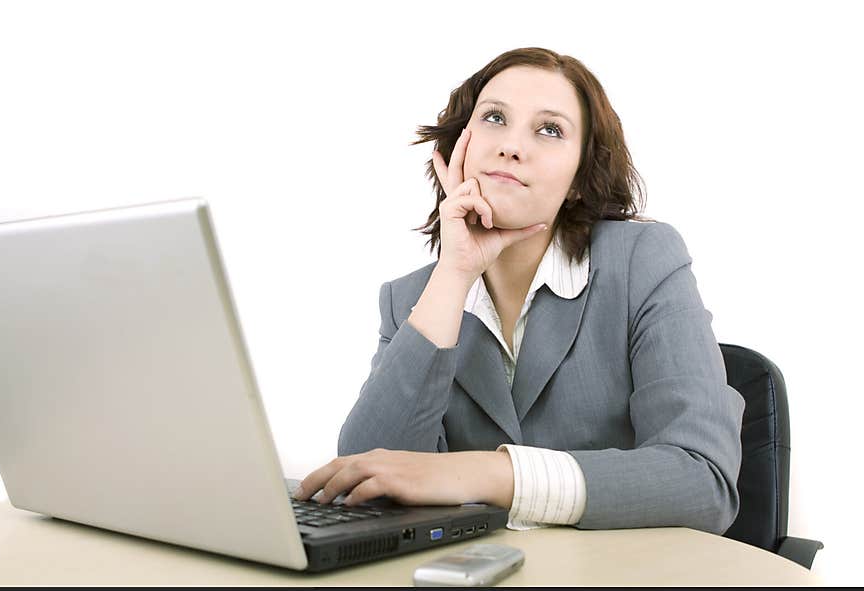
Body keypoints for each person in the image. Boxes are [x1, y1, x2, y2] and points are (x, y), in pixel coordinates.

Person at [292, 47, 745, 535]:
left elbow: (704, 482)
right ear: (458, 149)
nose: (511, 146)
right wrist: (454, 272)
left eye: (549, 130)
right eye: (493, 118)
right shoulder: (413, 301)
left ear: (578, 178)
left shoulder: (642, 260)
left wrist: (488, 473)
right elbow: (366, 479)